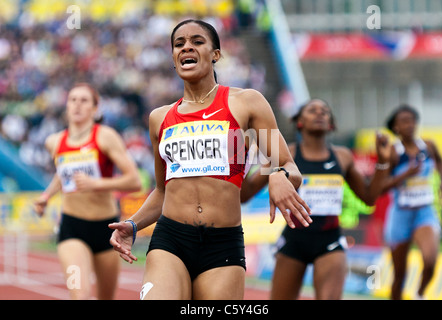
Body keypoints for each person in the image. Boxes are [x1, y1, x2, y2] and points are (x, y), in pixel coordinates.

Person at [109, 19, 312, 300]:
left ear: (215, 53)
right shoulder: (160, 118)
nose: (186, 47)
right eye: (179, 44)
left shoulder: (247, 102)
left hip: (223, 246)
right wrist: (132, 224)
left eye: (197, 41)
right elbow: (163, 190)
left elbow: (288, 167)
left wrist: (278, 175)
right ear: (173, 56)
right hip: (171, 240)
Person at [241, 98, 391, 299]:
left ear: (331, 124)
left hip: (330, 241)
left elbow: (369, 198)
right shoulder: (288, 155)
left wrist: (382, 162)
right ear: (300, 122)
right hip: (294, 241)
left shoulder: (342, 156)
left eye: (324, 111)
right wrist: (238, 160)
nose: (320, 113)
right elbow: (246, 193)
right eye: (313, 110)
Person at [33, 83, 142, 300]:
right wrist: (46, 196)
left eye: (84, 101)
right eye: (73, 100)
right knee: (79, 296)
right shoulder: (54, 142)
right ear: (66, 106)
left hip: (107, 228)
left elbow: (135, 181)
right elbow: (63, 175)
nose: (77, 105)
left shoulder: (105, 137)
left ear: (95, 108)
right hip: (72, 228)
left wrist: (97, 184)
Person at [382, 104, 442, 300]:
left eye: (412, 120)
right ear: (395, 127)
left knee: (430, 261)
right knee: (400, 274)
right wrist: (405, 175)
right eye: (404, 121)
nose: (409, 124)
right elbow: (381, 187)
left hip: (424, 211)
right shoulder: (393, 152)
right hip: (400, 214)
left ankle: (419, 294)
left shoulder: (428, 146)